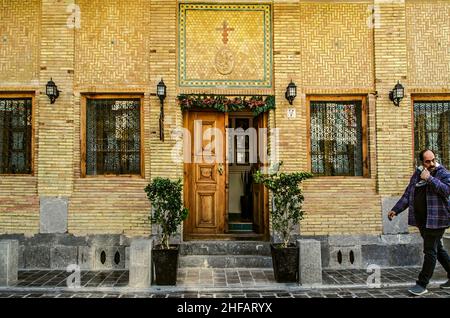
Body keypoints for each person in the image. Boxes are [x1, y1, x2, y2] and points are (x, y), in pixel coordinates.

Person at [388, 149, 450, 296]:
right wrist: (396, 210)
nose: (432, 163)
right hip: (422, 221)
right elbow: (408, 194)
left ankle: (422, 284)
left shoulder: (442, 173)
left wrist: (429, 178)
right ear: (422, 162)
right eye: (427, 161)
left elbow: (447, 190)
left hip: (437, 220)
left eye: (433, 160)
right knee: (438, 250)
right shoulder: (417, 174)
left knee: (430, 251)